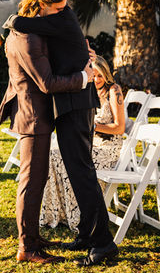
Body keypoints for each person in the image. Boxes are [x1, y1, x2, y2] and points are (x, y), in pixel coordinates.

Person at [7, 0, 119, 267]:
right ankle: (86, 234)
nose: (63, 9)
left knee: (81, 172)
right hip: (69, 104)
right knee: (78, 170)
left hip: (77, 102)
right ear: (42, 2)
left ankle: (103, 244)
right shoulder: (49, 20)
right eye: (56, 5)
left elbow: (20, 23)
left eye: (63, 5)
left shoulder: (61, 17)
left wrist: (85, 73)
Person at [40, 55, 125, 231]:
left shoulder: (114, 90)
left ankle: (77, 215)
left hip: (107, 149)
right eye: (94, 75)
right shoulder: (88, 90)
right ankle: (56, 212)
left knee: (69, 158)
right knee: (53, 155)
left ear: (106, 74)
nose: (97, 79)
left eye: (100, 75)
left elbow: (119, 127)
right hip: (89, 143)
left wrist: (94, 127)